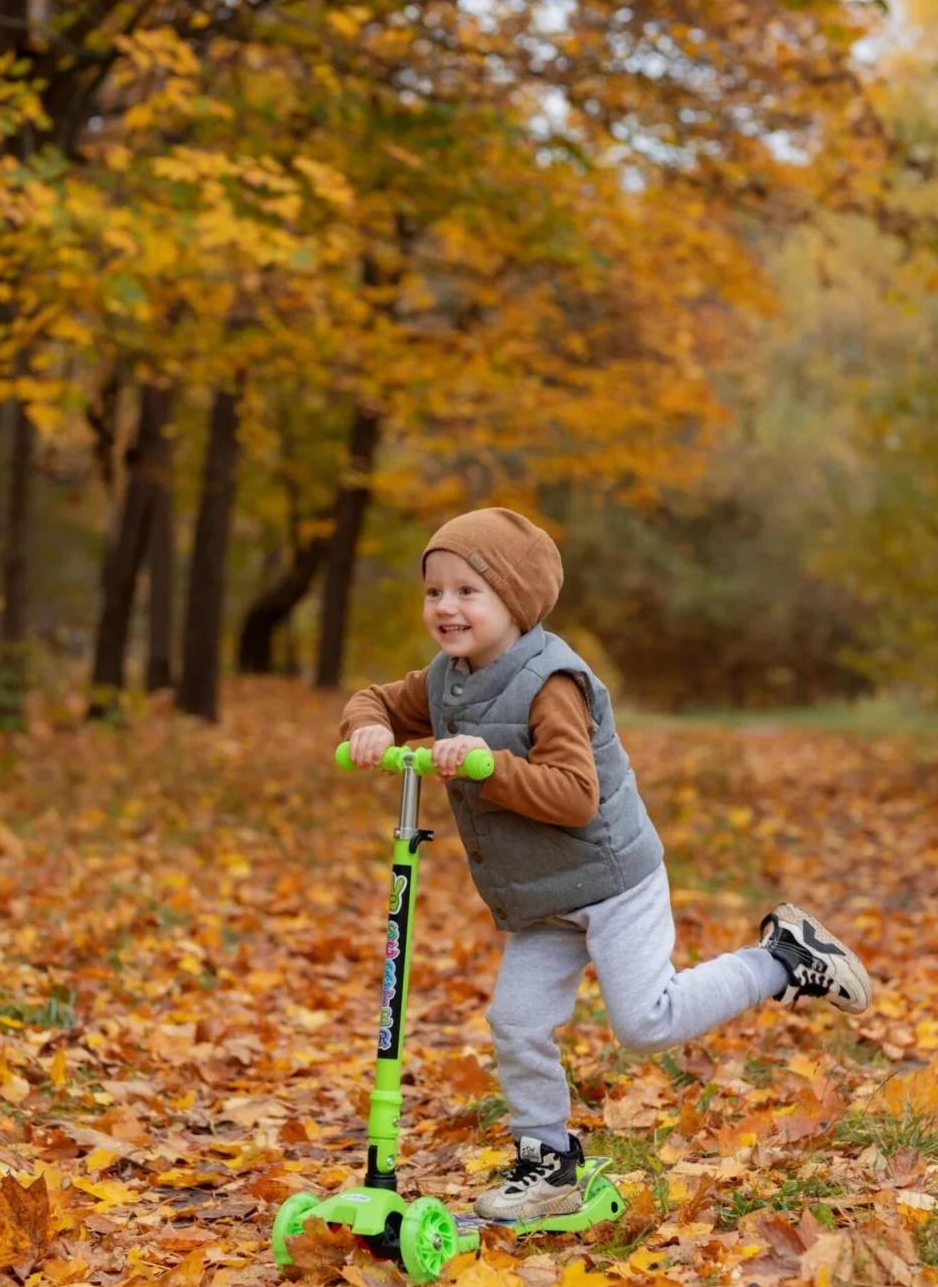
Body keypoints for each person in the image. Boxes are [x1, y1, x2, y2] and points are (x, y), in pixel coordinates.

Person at [340, 509, 872, 1224]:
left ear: (516, 602)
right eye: (434, 591)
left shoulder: (552, 681)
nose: (445, 607)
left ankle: (783, 957)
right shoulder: (445, 681)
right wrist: (368, 728)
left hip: (614, 878)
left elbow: (574, 795)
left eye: (468, 591)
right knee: (516, 1021)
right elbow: (376, 698)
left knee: (647, 1022)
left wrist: (487, 765)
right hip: (543, 898)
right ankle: (548, 1162)